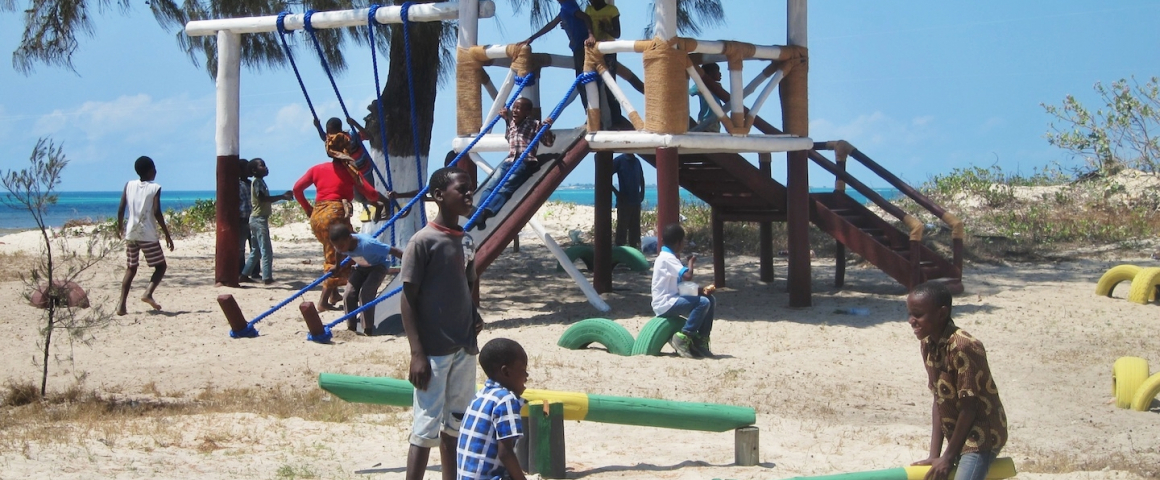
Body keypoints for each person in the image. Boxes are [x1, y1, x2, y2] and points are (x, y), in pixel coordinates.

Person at [401, 167, 484, 480]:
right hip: (433, 352)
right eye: (461, 189)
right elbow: (408, 298)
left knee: (456, 426)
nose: (468, 194)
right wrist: (416, 353)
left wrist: (474, 314)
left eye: (470, 189)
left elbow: (468, 282)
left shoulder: (466, 241)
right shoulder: (423, 242)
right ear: (438, 196)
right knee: (425, 427)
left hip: (465, 347)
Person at [907, 281, 1008, 480]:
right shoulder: (929, 345)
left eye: (918, 315)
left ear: (942, 313)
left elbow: (969, 408)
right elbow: (939, 399)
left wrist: (948, 457)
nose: (911, 321)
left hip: (981, 435)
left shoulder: (964, 346)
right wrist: (934, 456)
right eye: (909, 314)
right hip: (958, 435)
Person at [294, 132, 391, 311]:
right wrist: (385, 201)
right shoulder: (350, 171)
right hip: (336, 214)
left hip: (318, 216)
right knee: (343, 252)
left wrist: (309, 210)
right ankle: (323, 302)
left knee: (331, 251)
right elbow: (369, 192)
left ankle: (334, 294)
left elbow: (297, 189)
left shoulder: (316, 169)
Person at [471, 98, 555, 229]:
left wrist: (547, 129)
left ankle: (488, 211)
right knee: (492, 183)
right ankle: (478, 211)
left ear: (527, 112)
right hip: (509, 160)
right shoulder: (511, 123)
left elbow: (548, 143)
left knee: (506, 186)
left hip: (524, 161)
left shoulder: (535, 124)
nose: (515, 110)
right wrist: (506, 119)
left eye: (519, 108)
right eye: (514, 107)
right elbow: (509, 137)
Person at [456, 338, 530, 480]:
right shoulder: (506, 400)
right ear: (506, 372)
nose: (526, 376)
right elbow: (505, 453)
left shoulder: (481, 395)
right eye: (523, 370)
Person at [115, 156, 174, 316]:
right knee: (161, 267)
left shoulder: (129, 185)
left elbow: (121, 209)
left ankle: (121, 305)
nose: (156, 171)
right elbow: (156, 212)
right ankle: (148, 292)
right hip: (147, 234)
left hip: (131, 233)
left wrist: (120, 227)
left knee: (131, 268)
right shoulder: (155, 187)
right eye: (154, 168)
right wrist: (167, 234)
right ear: (150, 171)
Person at [651, 223, 716, 359]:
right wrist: (691, 262)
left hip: (672, 299)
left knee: (710, 299)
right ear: (678, 242)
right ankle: (684, 336)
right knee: (703, 303)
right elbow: (687, 276)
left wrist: (700, 290)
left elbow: (680, 286)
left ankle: (701, 340)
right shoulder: (667, 258)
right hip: (665, 304)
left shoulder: (669, 258)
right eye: (684, 241)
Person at [328, 223, 404, 334]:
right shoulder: (341, 245)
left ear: (349, 238)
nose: (340, 249)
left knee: (365, 293)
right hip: (361, 266)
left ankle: (368, 329)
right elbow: (338, 252)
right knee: (349, 294)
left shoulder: (368, 245)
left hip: (378, 267)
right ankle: (351, 328)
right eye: (337, 246)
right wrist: (338, 266)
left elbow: (394, 251)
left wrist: (411, 262)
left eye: (342, 246)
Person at [522, 0, 596, 108]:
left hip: (582, 46)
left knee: (584, 81)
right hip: (577, 48)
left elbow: (586, 17)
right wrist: (532, 38)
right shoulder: (564, 9)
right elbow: (551, 25)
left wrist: (591, 35)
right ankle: (589, 113)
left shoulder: (569, 6)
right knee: (582, 82)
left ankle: (591, 113)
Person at [241, 158, 293, 285]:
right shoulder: (257, 182)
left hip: (255, 219)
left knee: (256, 250)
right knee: (266, 250)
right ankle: (267, 278)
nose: (265, 168)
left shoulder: (259, 182)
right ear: (254, 170)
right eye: (262, 166)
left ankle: (244, 275)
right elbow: (263, 198)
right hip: (259, 219)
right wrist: (282, 196)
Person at [584, 0, 622, 125]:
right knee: (591, 84)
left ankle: (616, 119)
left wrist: (606, 28)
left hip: (608, 52)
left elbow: (617, 33)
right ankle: (594, 119)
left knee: (609, 86)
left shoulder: (612, 11)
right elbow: (586, 28)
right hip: (593, 52)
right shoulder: (588, 10)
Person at [611, 153, 645, 249]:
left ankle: (634, 252)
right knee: (622, 228)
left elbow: (641, 178)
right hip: (624, 201)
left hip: (636, 201)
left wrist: (642, 192)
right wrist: (617, 193)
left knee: (635, 229)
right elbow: (605, 176)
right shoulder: (619, 160)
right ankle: (620, 252)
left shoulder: (637, 161)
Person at [690, 63, 724, 132]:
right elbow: (690, 91)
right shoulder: (701, 85)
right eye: (717, 71)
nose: (720, 74)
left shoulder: (718, 87)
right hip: (704, 121)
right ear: (710, 73)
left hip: (714, 121)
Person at [237, 158, 254, 279]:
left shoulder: (251, 184)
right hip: (242, 220)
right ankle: (241, 272)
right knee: (241, 249)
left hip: (252, 219)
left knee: (255, 247)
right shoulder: (237, 185)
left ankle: (254, 271)